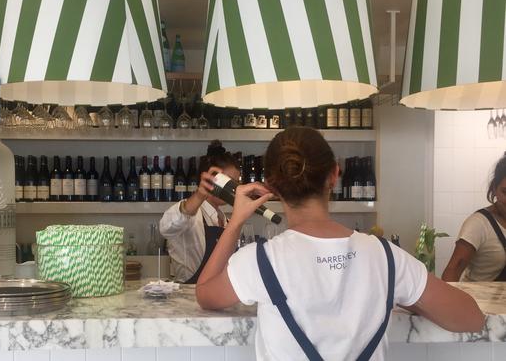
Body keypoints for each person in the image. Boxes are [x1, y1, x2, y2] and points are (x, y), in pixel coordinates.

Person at [195, 127, 484, 360]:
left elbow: (205, 295)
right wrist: (406, 297)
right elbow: (471, 318)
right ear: (334, 174)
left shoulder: (259, 260)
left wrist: (235, 222)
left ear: (271, 185)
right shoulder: (385, 257)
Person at [159, 140, 240, 284]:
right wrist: (198, 196)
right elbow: (166, 228)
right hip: (189, 299)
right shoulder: (191, 214)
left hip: (218, 297)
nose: (234, 189)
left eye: (236, 183)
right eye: (229, 182)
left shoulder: (226, 221)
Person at [442, 154, 506, 282]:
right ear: (494, 189)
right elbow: (452, 271)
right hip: (481, 301)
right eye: (505, 192)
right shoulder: (478, 224)